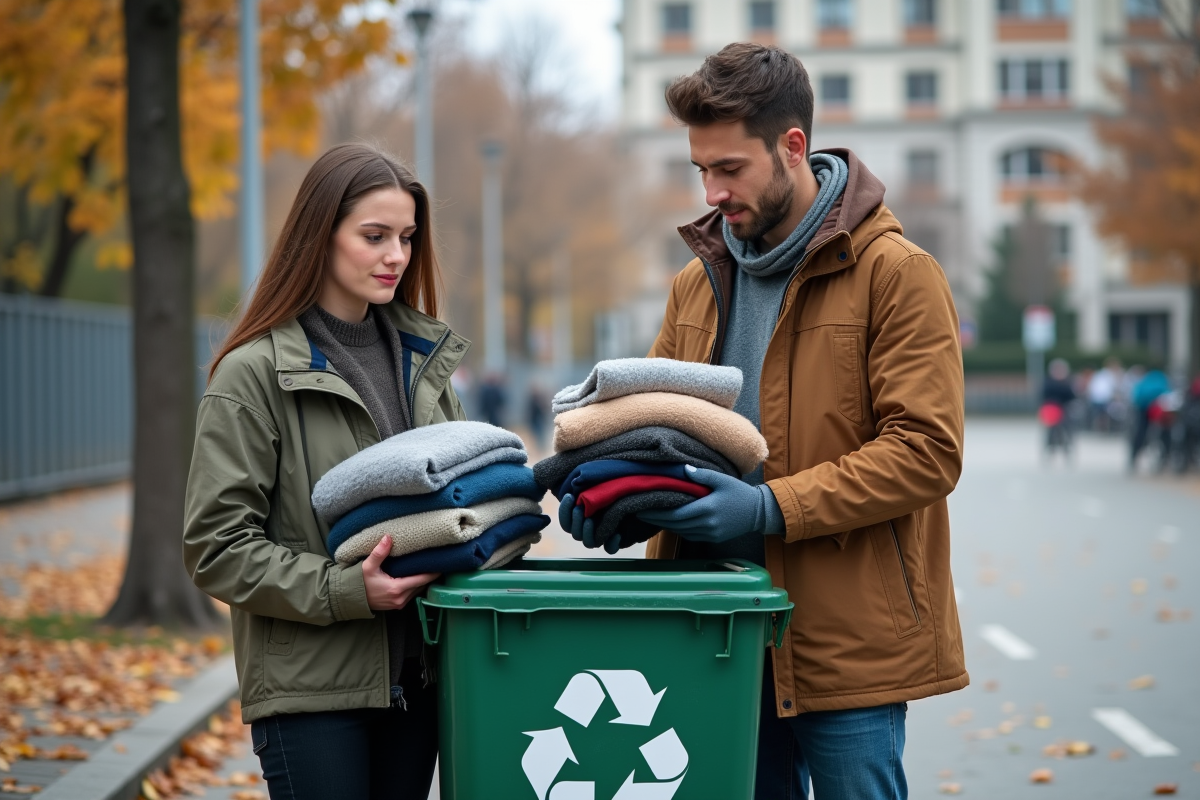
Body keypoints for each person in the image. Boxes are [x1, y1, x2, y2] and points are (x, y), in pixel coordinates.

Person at [631, 44, 966, 799]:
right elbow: (659, 428)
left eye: (730, 169)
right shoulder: (696, 282)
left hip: (848, 643)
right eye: (701, 171)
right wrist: (621, 500)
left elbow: (927, 452)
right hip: (714, 628)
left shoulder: (897, 273)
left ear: (792, 147)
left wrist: (769, 506)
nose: (713, 192)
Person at [183, 144, 470, 800]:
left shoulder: (424, 363)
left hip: (421, 681)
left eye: (405, 236)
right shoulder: (251, 373)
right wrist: (346, 591)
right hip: (311, 694)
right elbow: (216, 547)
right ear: (321, 236)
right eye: (374, 236)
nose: (395, 255)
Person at [1129, 366, 1170, 472]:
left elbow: (1136, 397)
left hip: (1143, 411)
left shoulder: (1144, 382)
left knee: (1141, 432)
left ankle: (1134, 456)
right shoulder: (1162, 380)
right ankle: (1165, 457)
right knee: (1165, 433)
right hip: (1159, 412)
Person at [1040, 358, 1076, 458]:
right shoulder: (1049, 381)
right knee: (1051, 430)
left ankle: (1067, 448)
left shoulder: (1067, 382)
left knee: (1067, 429)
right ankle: (1050, 448)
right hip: (1053, 410)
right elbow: (1045, 395)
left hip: (1064, 409)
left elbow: (1071, 396)